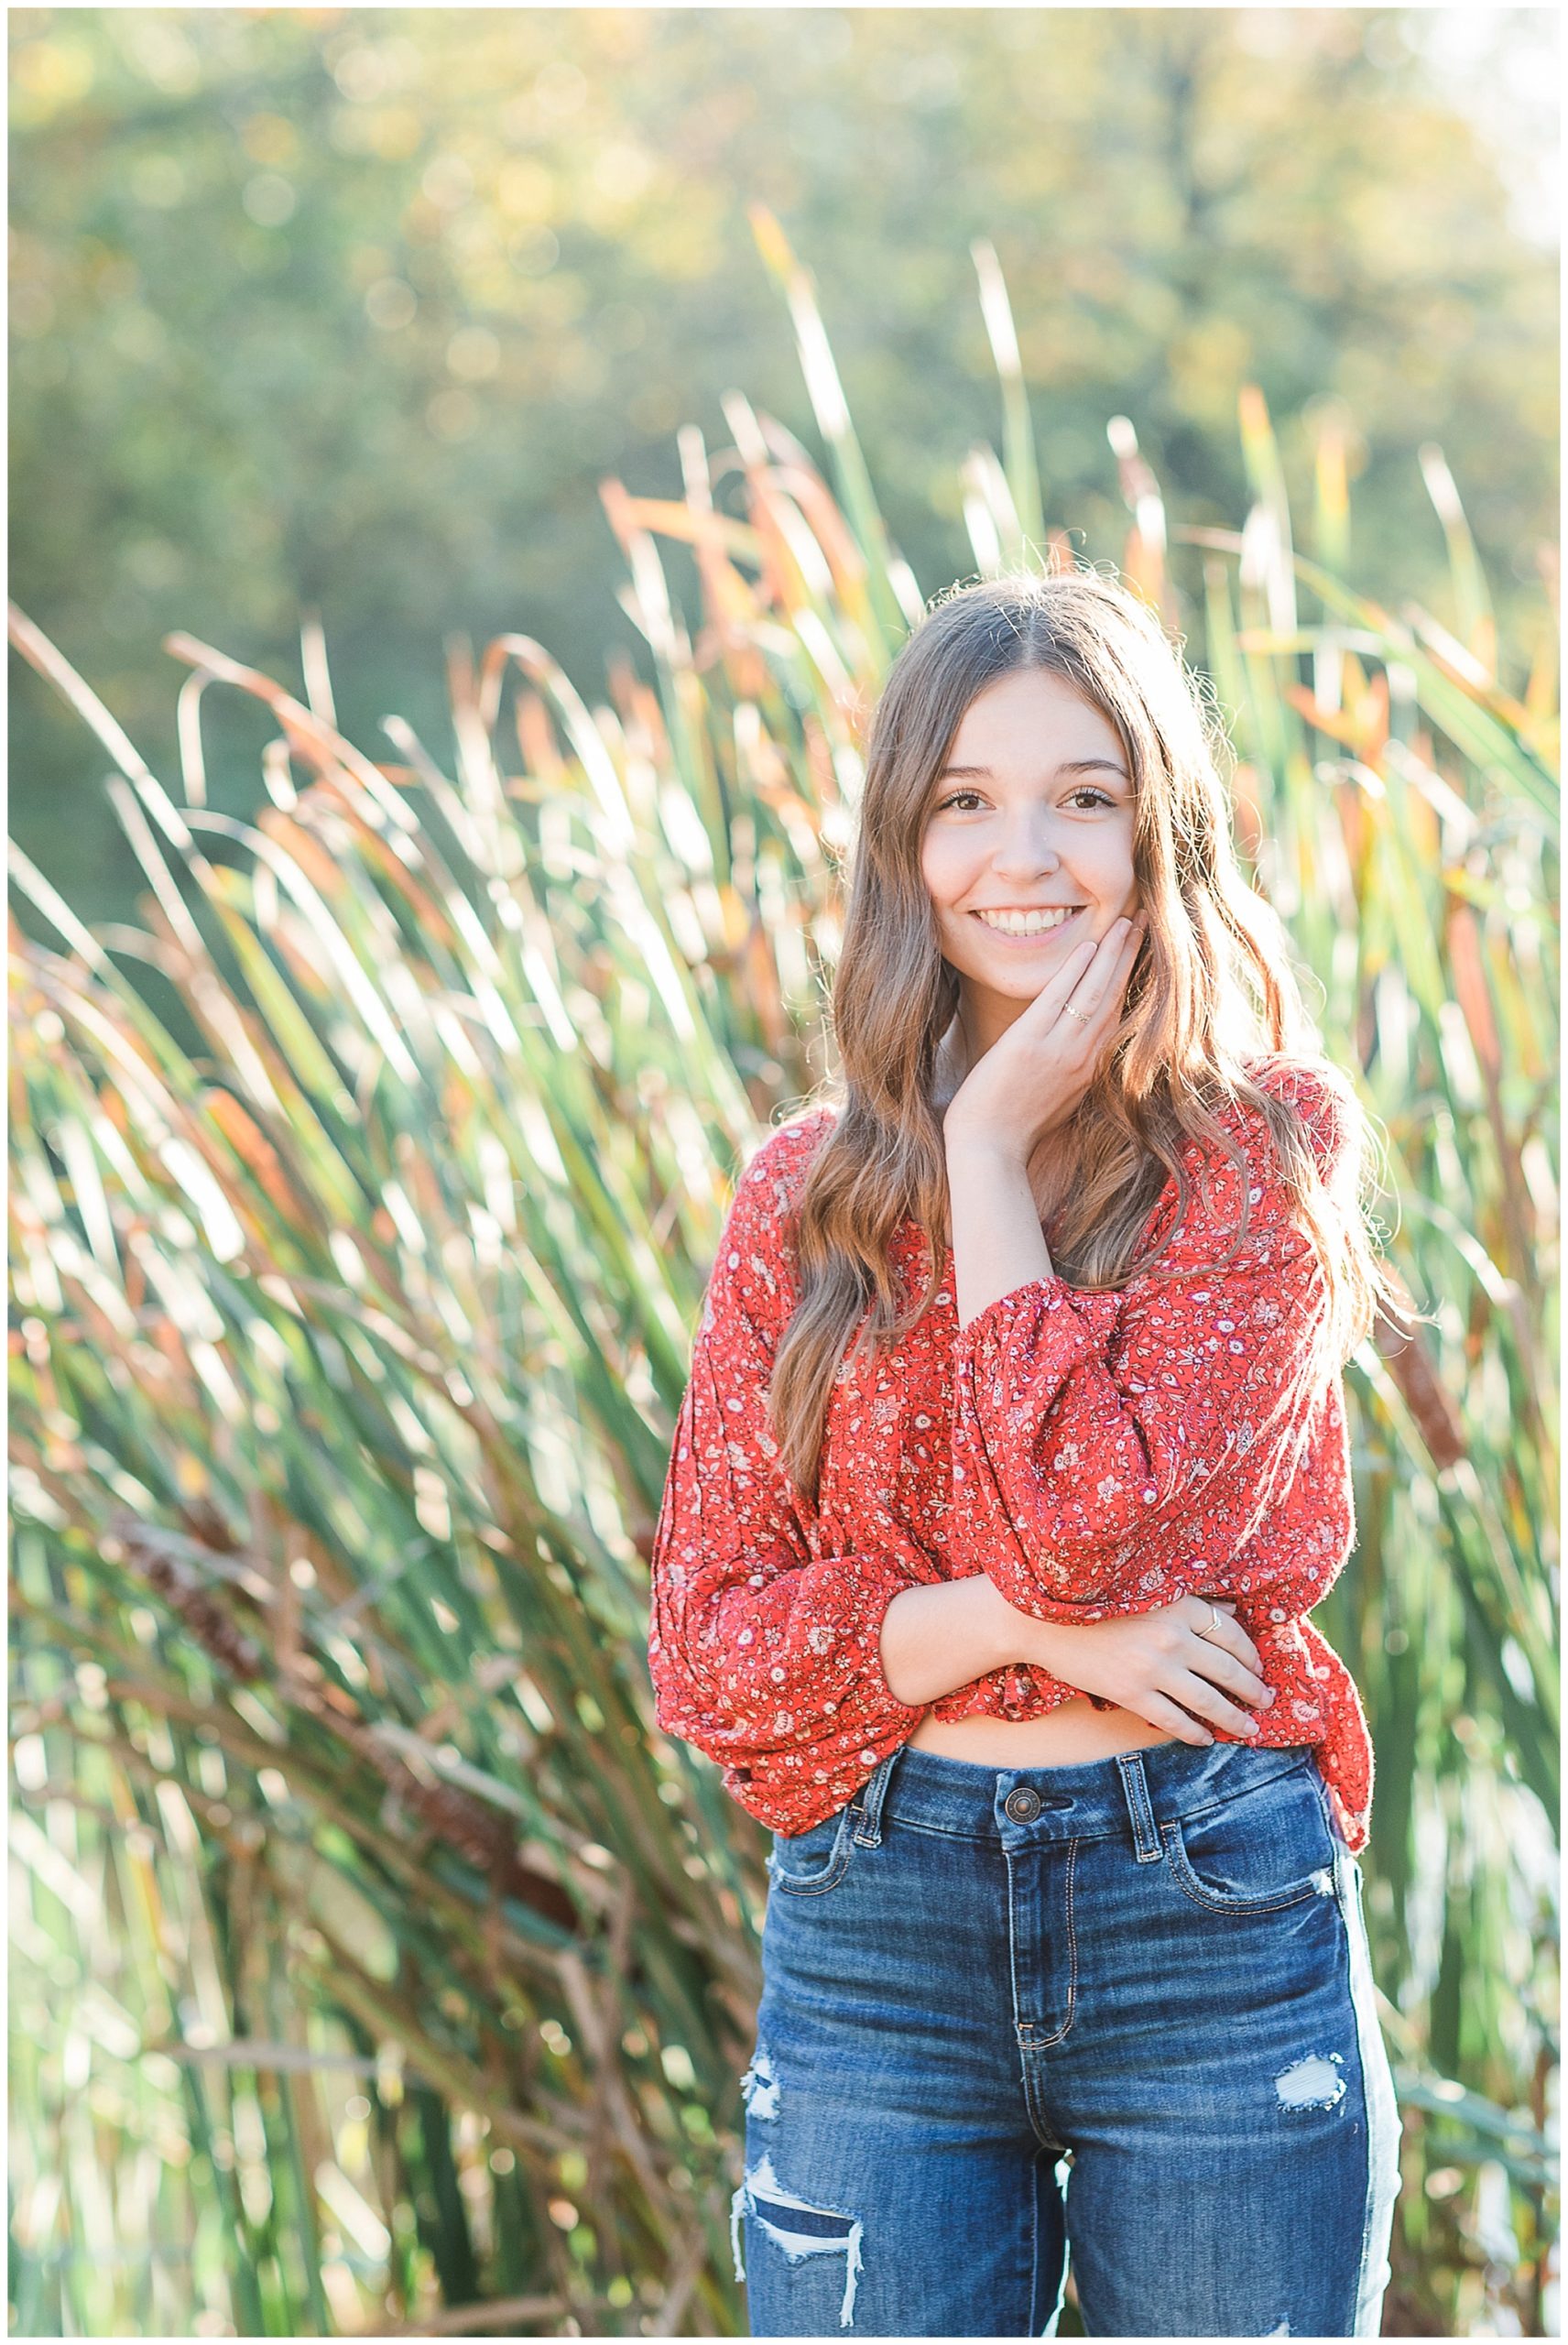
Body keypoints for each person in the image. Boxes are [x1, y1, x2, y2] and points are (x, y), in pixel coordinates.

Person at [647, 568, 1406, 2339]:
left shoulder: (1261, 1163)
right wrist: (1033, 1634)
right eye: (967, 804)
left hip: (1204, 1908)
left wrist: (990, 1155)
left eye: (1086, 798)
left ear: (1162, 829)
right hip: (879, 1919)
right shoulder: (804, 1199)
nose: (1028, 856)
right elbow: (714, 1648)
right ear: (902, 847)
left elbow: (1094, 1534)